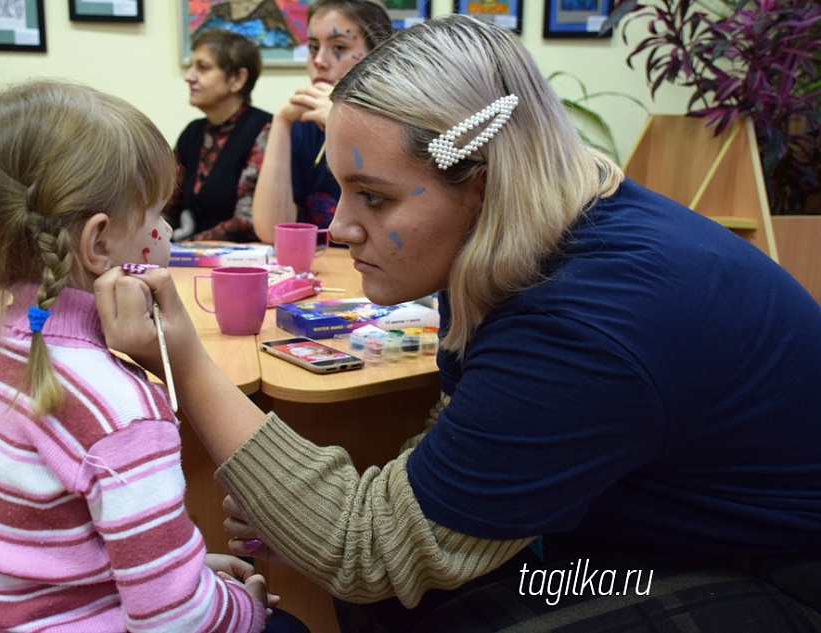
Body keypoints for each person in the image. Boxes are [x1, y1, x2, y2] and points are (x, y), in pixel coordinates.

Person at [95, 15, 821, 633]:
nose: (341, 226)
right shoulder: (515, 241)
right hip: (640, 531)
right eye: (343, 190)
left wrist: (182, 358)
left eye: (374, 198)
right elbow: (455, 447)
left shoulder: (587, 317)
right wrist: (310, 518)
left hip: (768, 568)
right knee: (389, 606)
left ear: (482, 182)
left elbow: (367, 550)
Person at [0, 79, 277, 632]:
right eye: (158, 214)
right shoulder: (120, 407)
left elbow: (54, 555)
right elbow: (176, 623)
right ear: (97, 245)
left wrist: (183, 569)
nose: (165, 231)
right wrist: (245, 606)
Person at [250, 0, 393, 244]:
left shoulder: (400, 123)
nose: (319, 61)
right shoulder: (303, 125)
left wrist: (346, 126)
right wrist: (281, 123)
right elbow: (271, 232)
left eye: (338, 47)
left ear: (377, 56)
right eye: (314, 47)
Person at [172, 29, 272, 243]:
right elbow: (164, 203)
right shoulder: (193, 132)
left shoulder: (265, 129)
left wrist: (186, 247)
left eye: (203, 67)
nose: (188, 77)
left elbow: (248, 222)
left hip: (246, 265)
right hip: (190, 259)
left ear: (237, 78)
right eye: (191, 67)